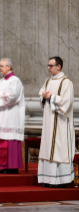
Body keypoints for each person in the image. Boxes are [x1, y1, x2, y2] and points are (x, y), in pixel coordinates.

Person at [38, 56, 75, 188]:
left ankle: (60, 181)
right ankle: (48, 179)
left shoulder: (66, 82)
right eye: (48, 65)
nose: (48, 68)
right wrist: (43, 96)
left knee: (59, 149)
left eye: (51, 66)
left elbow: (67, 102)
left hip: (61, 123)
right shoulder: (48, 80)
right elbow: (41, 92)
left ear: (58, 66)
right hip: (49, 122)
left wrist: (51, 97)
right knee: (48, 148)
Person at [0, 58, 24, 174]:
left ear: (8, 67)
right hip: (1, 115)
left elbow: (13, 97)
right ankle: (2, 166)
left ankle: (12, 167)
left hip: (10, 115)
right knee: (1, 138)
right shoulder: (1, 81)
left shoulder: (15, 80)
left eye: (1, 66)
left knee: (9, 139)